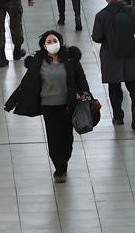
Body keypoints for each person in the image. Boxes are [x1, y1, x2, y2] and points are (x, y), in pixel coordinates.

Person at [6, 29, 92, 181]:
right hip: (49, 107)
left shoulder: (70, 59)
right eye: (49, 42)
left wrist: (84, 93)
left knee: (67, 138)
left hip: (68, 105)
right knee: (54, 138)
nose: (52, 44)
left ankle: (64, 160)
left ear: (60, 42)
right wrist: (13, 102)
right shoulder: (38, 62)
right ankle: (59, 169)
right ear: (44, 46)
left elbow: (81, 78)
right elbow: (27, 83)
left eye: (55, 41)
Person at [92, 0, 135, 130]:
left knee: (114, 88)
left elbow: (97, 37)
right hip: (132, 54)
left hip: (111, 57)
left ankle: (118, 116)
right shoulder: (133, 11)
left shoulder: (101, 16)